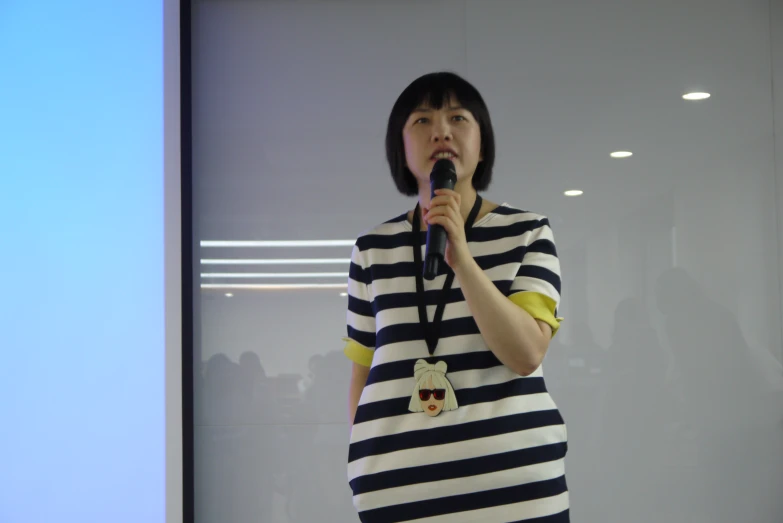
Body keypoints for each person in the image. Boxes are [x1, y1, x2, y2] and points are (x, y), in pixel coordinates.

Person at [342, 71, 569, 522]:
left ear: (482, 146)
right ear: (401, 150)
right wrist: (366, 461)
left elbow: (526, 353)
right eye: (422, 120)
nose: (441, 131)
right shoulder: (371, 250)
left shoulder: (528, 232)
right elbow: (363, 373)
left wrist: (462, 259)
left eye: (458, 118)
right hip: (399, 499)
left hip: (516, 493)